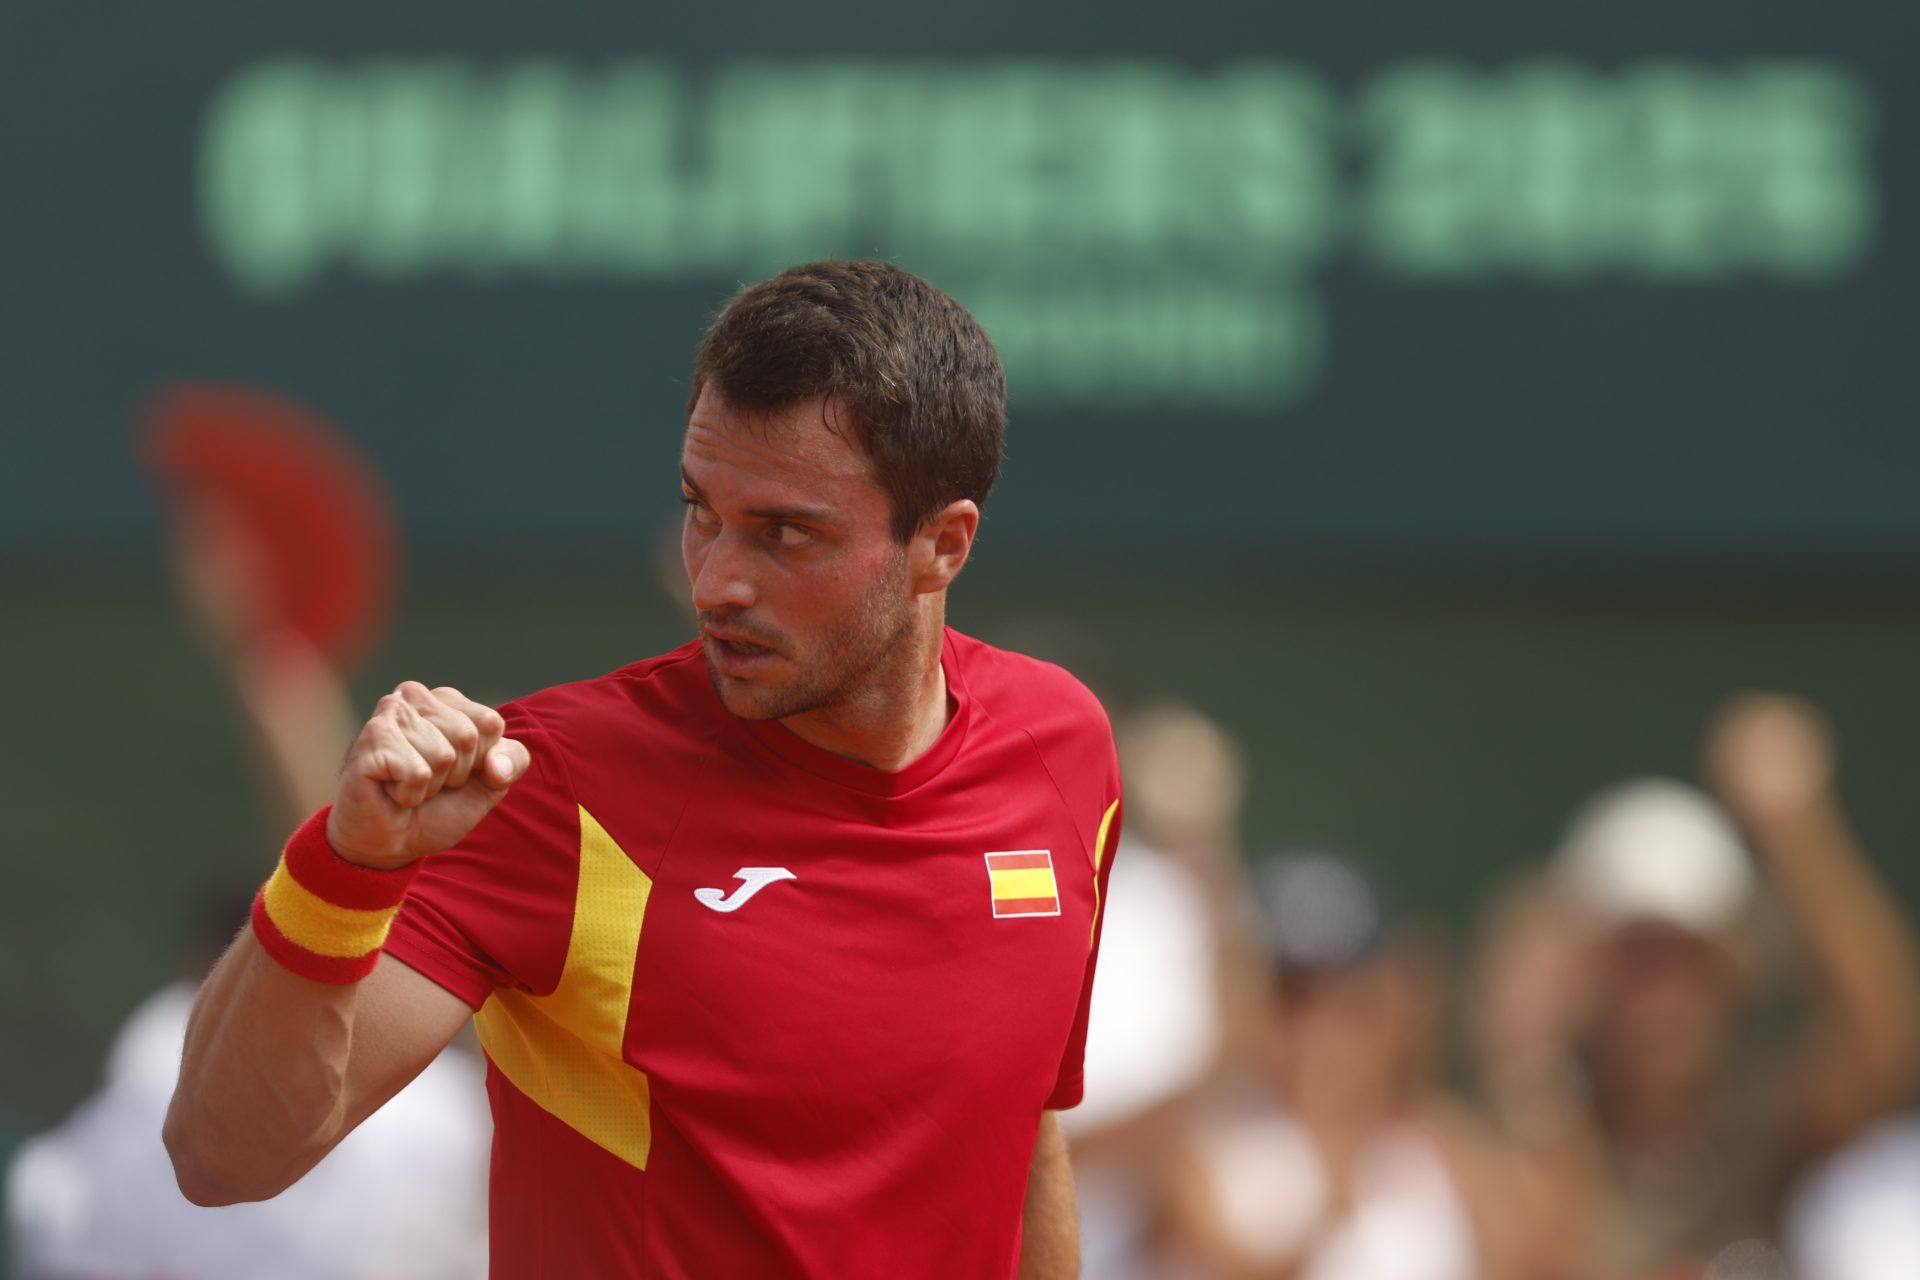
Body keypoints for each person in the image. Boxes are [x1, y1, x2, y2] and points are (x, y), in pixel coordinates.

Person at [164, 260, 1123, 1278]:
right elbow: (223, 1155)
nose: (716, 580)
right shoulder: (546, 783)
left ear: (942, 545)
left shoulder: (1060, 748)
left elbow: (1022, 1135)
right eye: (702, 509)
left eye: (785, 532)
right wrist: (346, 866)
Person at [1470, 693, 1920, 1278]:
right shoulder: (1533, 1142)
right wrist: (1525, 1063)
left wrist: (1799, 833)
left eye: (1691, 963)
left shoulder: (1765, 1137)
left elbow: (1880, 1042)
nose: (1665, 998)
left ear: (1732, 979)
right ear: (1586, 978)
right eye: (1638, 963)